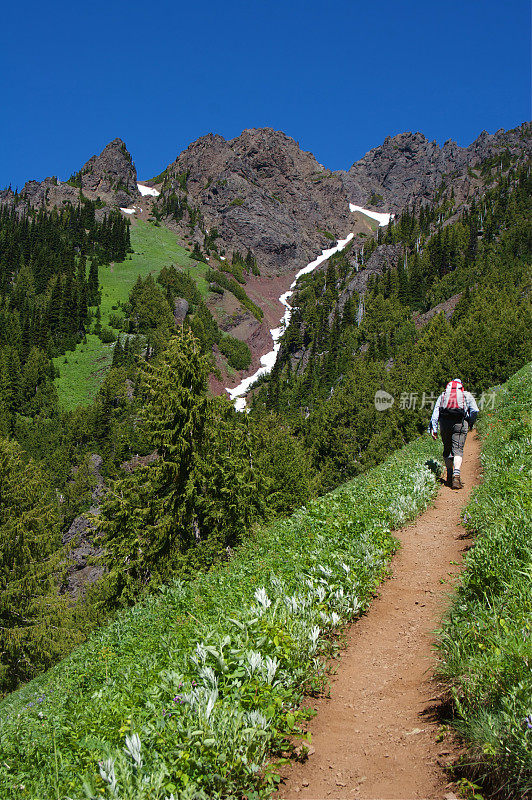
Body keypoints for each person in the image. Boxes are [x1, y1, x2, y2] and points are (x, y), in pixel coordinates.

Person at [429, 379, 479, 489]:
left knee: (447, 449)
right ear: (461, 387)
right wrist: (470, 422)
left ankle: (449, 474)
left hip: (444, 423)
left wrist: (434, 429)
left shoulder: (442, 396)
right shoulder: (466, 395)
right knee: (458, 449)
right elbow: (475, 410)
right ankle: (456, 475)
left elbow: (435, 413)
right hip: (460, 423)